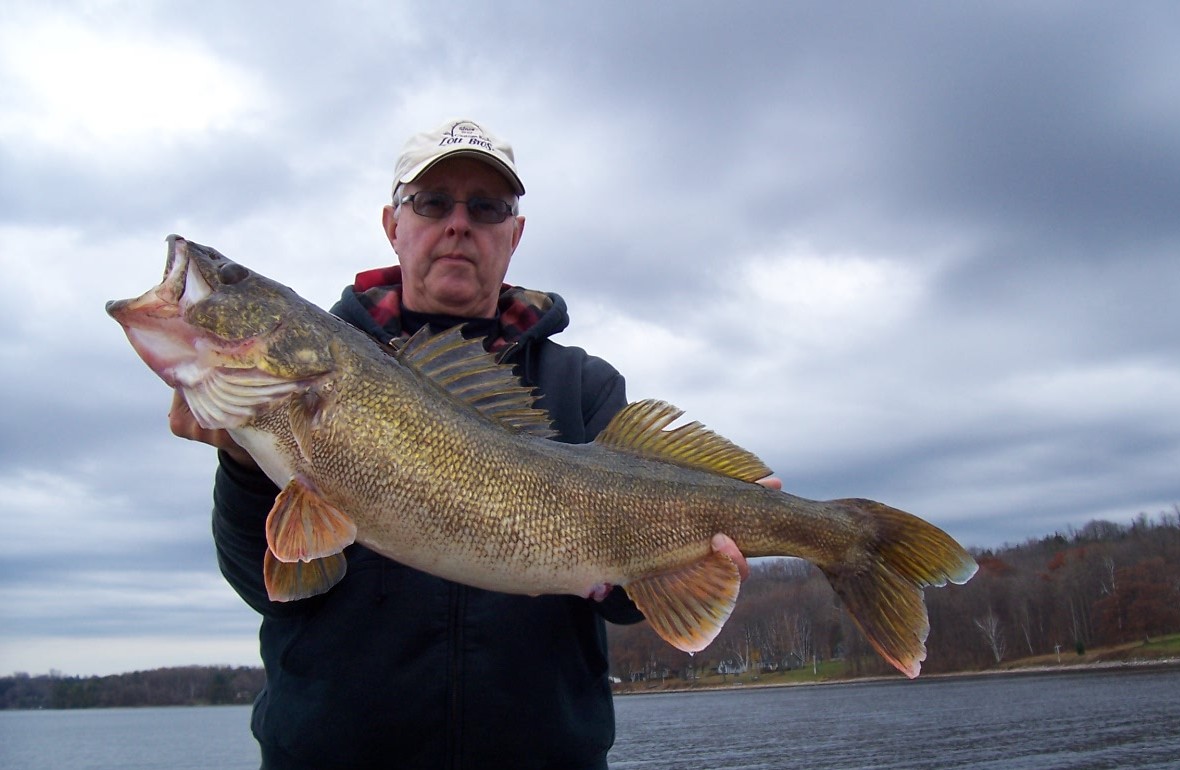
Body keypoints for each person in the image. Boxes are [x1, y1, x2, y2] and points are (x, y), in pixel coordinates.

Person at [169, 118, 758, 769]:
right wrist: (245, 462)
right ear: (393, 224)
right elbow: (272, 585)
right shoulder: (321, 376)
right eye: (432, 202)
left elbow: (619, 604)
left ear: (514, 233)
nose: (458, 223)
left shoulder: (582, 386)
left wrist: (703, 547)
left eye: (485, 207)